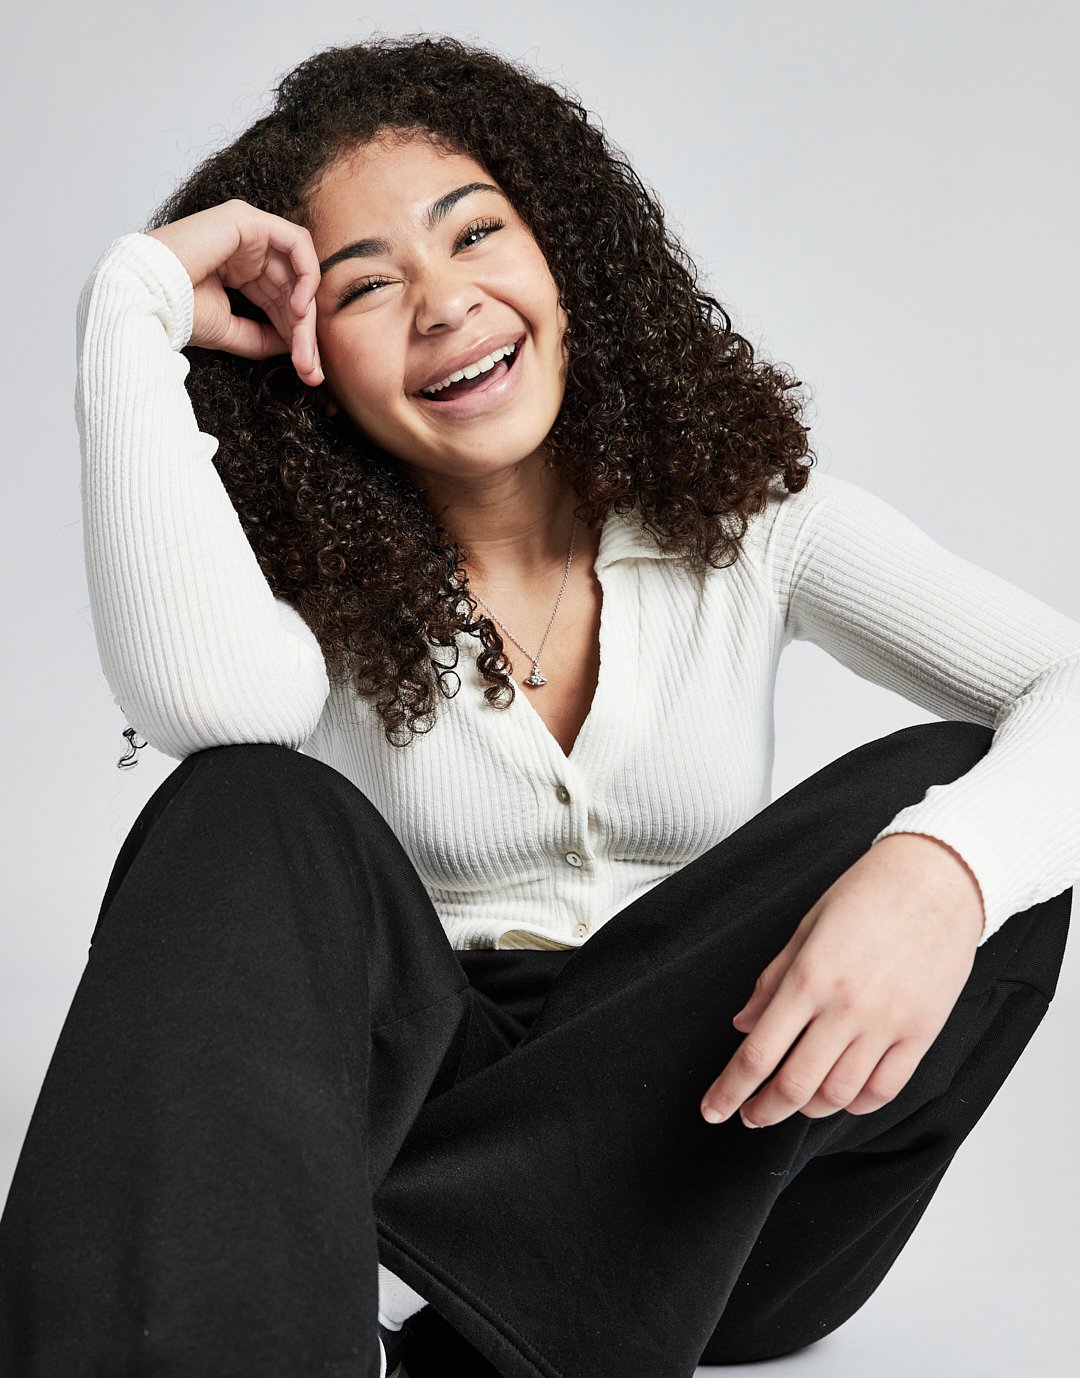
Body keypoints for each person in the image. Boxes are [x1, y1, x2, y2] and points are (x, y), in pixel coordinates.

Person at [1, 31, 1078, 1378]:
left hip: (724, 1169)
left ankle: (445, 1307)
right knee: (246, 802)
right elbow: (203, 707)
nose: (445, 303)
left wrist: (945, 870)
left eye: (476, 234)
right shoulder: (305, 591)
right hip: (430, 1115)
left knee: (965, 787)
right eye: (367, 284)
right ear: (303, 348)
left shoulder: (755, 531)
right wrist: (132, 299)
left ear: (564, 257)